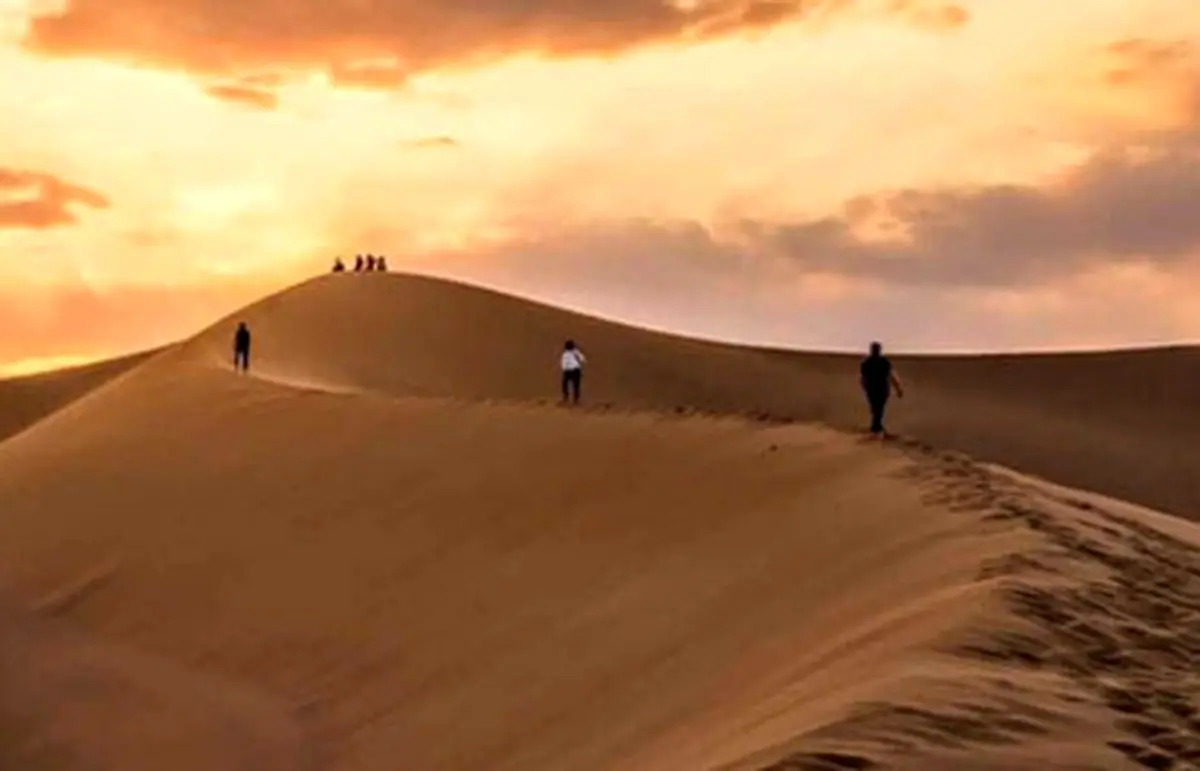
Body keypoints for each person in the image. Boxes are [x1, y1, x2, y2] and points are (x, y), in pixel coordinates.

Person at [860, 341, 903, 438]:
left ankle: (877, 429)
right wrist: (897, 387)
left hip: (880, 389)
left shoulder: (879, 362)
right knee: (877, 410)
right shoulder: (868, 362)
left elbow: (891, 375)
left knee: (878, 409)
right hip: (875, 389)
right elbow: (863, 378)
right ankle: (877, 430)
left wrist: (898, 387)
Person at [560, 340, 586, 404]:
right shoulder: (565, 353)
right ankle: (566, 398)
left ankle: (575, 399)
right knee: (565, 384)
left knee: (575, 385)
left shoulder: (575, 352)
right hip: (568, 370)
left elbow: (582, 359)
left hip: (574, 369)